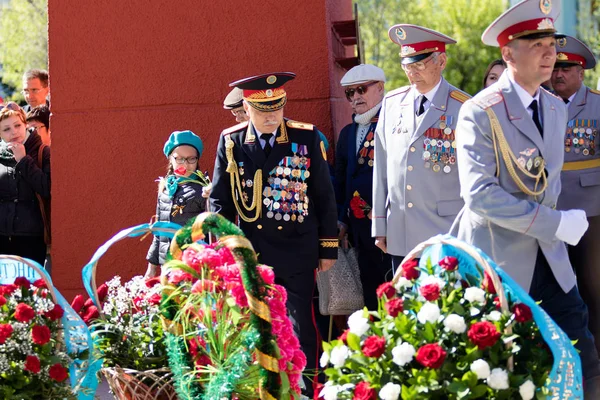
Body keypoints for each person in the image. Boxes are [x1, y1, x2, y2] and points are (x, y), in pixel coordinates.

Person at [453, 0, 600, 396]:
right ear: (507, 53)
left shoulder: (554, 107)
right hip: (501, 260)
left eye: (550, 41)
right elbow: (480, 195)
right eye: (535, 42)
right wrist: (557, 223)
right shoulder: (479, 112)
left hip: (550, 257)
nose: (549, 51)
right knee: (504, 370)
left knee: (582, 354)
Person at [210, 72, 337, 396]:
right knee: (256, 325)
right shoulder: (232, 141)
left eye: (277, 108)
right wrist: (225, 252)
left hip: (297, 249)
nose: (271, 117)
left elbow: (323, 196)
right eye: (263, 110)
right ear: (247, 108)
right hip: (253, 254)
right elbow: (220, 201)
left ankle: (308, 388)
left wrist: (327, 250)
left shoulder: (305, 138)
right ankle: (265, 389)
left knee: (300, 324)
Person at [372, 25, 470, 271]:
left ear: (442, 61)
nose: (412, 73)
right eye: (407, 65)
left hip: (447, 232)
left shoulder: (464, 108)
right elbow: (382, 168)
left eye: (419, 65)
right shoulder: (392, 104)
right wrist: (380, 226)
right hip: (401, 232)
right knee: (405, 306)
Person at [551, 34, 600, 354]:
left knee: (593, 287)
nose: (559, 74)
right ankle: (567, 351)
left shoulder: (597, 104)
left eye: (566, 68)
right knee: (560, 287)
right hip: (551, 213)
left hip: (590, 212)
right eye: (555, 67)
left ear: (581, 72)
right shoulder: (540, 103)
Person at [335, 64, 391, 310]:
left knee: (394, 287)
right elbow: (341, 179)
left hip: (390, 225)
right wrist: (341, 220)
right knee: (370, 291)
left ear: (379, 88)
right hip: (359, 227)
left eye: (361, 90)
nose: (355, 97)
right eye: (350, 93)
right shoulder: (348, 132)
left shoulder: (393, 122)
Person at [145, 130, 207, 278]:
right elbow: (159, 231)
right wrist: (152, 268)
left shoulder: (203, 190)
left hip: (192, 266)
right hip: (167, 266)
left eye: (191, 159)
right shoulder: (165, 189)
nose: (185, 164)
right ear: (171, 159)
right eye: (179, 159)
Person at [0, 102, 50, 266]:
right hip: (2, 235)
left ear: (25, 125)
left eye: (17, 125)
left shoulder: (43, 151)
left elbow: (45, 188)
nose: (13, 132)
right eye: (6, 129)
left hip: (31, 237)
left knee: (31, 288)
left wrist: (23, 160)